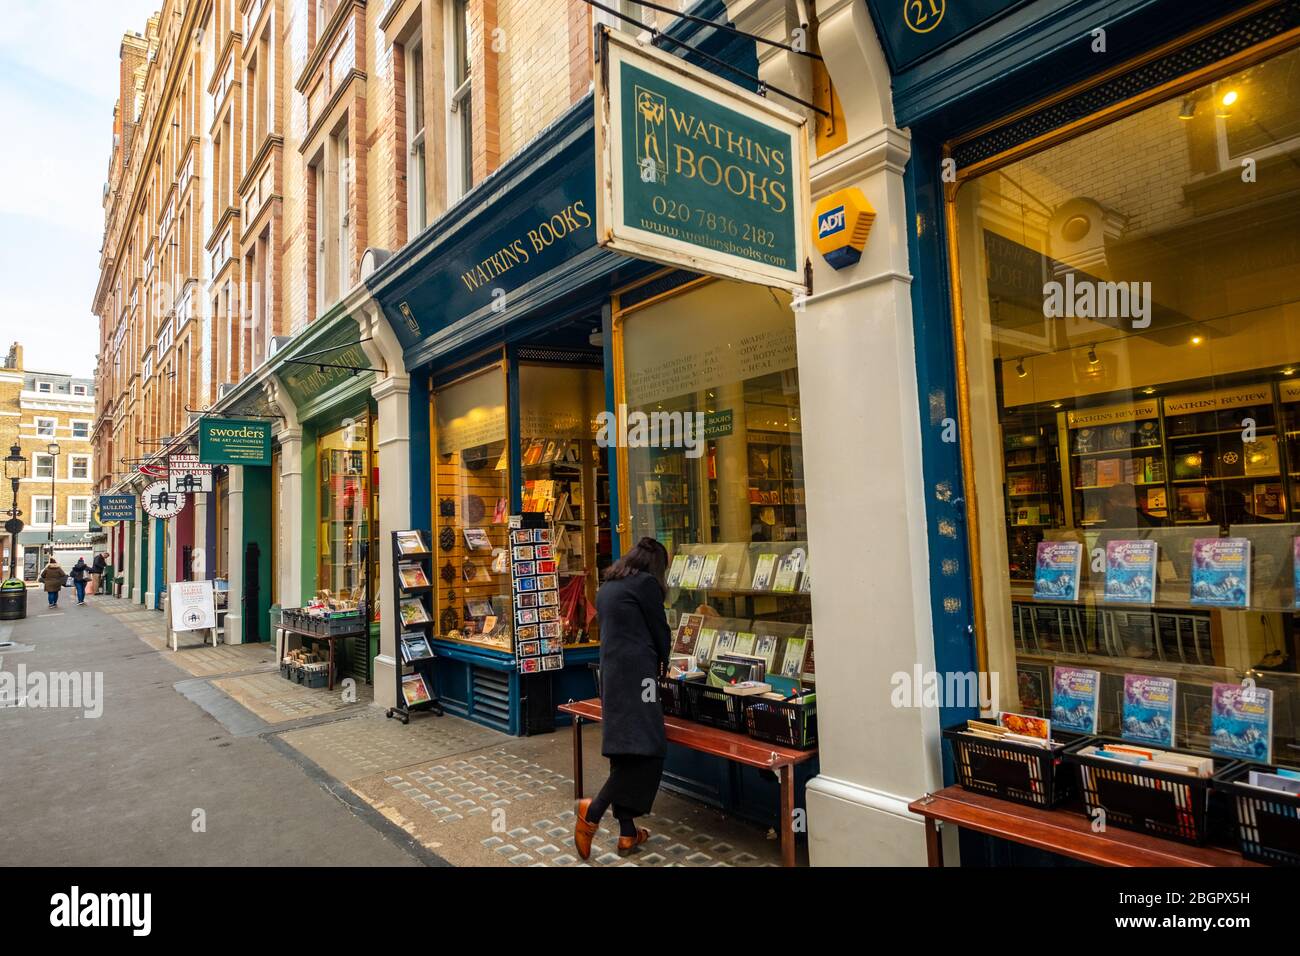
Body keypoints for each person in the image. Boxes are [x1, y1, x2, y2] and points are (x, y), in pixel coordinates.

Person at [574, 537, 671, 859]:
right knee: (649, 748)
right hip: (639, 677)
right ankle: (593, 812)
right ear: (655, 564)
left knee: (625, 751)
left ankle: (628, 833)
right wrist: (666, 663)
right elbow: (660, 631)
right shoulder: (645, 584)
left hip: (612, 676)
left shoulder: (609, 586)